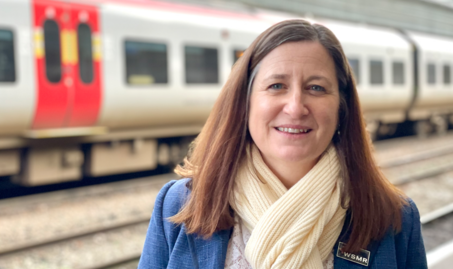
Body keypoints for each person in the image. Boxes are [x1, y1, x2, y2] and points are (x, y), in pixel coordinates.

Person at [138, 19, 427, 269]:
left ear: (342, 106)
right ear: (246, 101)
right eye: (277, 85)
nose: (296, 106)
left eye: (316, 87)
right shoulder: (180, 204)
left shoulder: (394, 218)